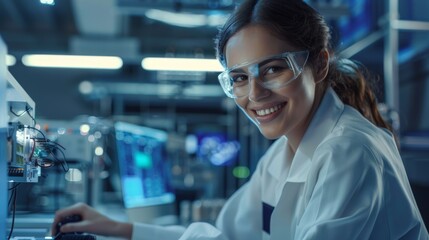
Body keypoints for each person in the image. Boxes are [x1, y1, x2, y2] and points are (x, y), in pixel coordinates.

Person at [52, 0, 429, 239]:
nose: (255, 94)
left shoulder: (350, 151)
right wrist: (118, 228)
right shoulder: (284, 152)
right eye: (239, 78)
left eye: (274, 69)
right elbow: (226, 235)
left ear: (319, 64)